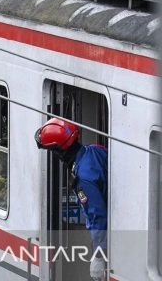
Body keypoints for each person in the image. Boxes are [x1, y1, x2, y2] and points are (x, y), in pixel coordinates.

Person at [34, 118, 107, 280]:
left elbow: (98, 217)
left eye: (52, 151)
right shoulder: (94, 150)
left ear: (60, 151)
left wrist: (99, 256)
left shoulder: (84, 179)